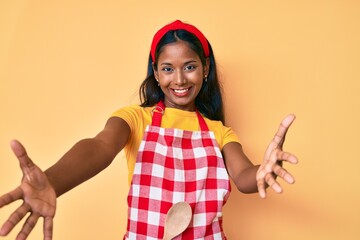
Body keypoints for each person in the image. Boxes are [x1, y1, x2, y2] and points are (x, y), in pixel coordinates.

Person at [0, 20, 298, 240]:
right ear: (156, 73)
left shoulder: (219, 132)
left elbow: (245, 177)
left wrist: (263, 172)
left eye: (189, 66)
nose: (179, 79)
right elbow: (100, 147)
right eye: (168, 68)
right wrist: (52, 181)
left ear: (206, 69)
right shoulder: (135, 119)